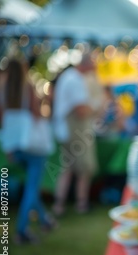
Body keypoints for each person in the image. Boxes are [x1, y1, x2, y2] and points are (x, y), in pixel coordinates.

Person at [0, 58, 56, 243]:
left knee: (31, 185)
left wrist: (8, 147)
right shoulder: (27, 87)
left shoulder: (1, 90)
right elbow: (37, 114)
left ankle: (44, 220)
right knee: (32, 188)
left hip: (14, 145)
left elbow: (3, 121)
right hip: (33, 144)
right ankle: (21, 230)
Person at [52, 52, 98, 215]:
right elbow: (81, 111)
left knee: (67, 168)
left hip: (67, 130)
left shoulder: (69, 77)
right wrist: (96, 108)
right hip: (73, 130)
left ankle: (60, 205)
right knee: (84, 168)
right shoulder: (75, 80)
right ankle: (81, 203)